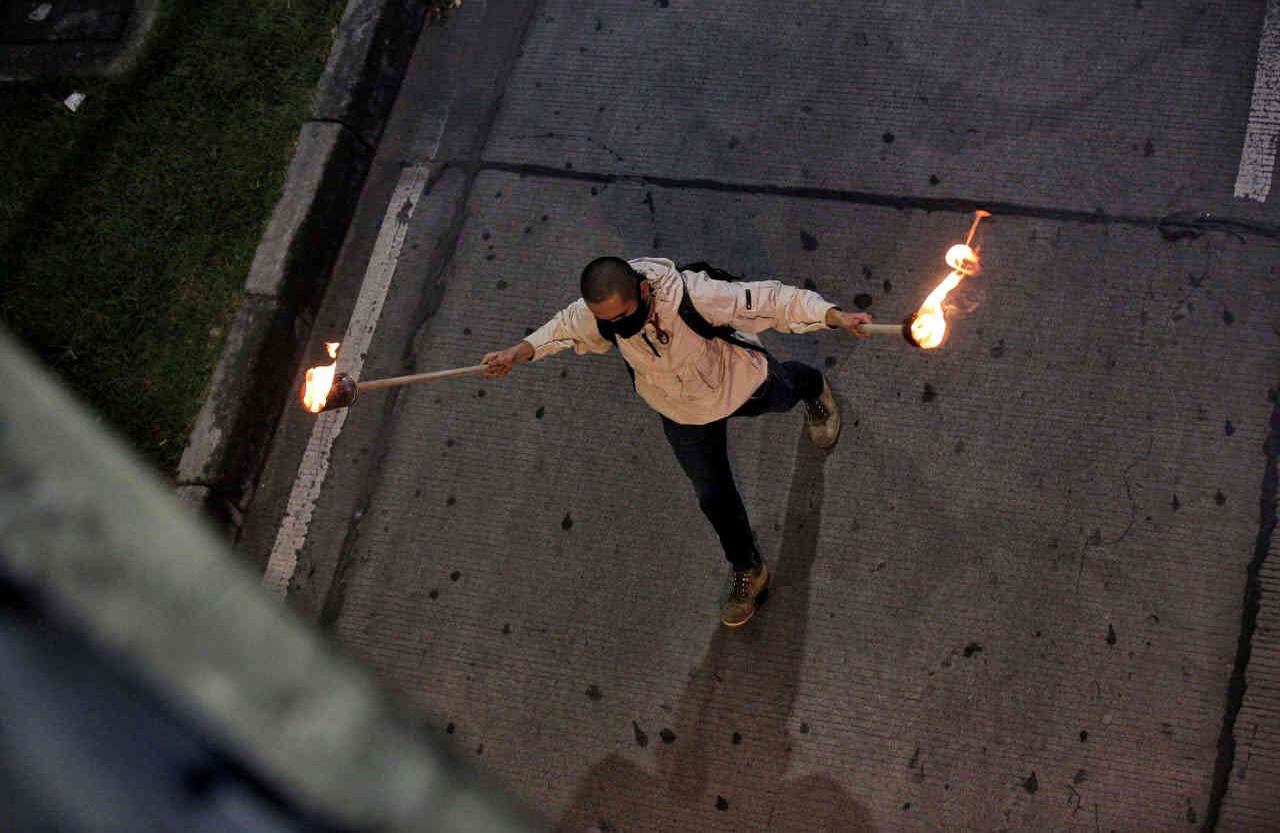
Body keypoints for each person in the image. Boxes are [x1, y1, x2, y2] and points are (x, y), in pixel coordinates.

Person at [482, 257, 871, 627]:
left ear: (645, 289)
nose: (618, 327)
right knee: (713, 497)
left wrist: (834, 315)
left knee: (786, 391)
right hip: (681, 414)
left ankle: (814, 387)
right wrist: (516, 354)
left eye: (623, 316)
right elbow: (564, 328)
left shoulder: (695, 297)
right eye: (607, 322)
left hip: (737, 384)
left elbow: (775, 301)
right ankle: (748, 569)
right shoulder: (603, 316)